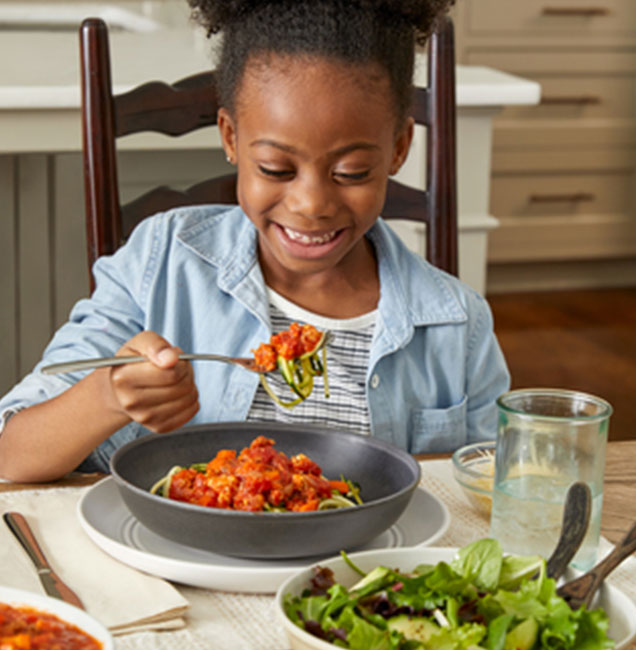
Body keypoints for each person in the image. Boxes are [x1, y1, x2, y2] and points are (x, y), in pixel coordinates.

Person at [0, 0, 510, 483]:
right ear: (230, 137)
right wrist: (109, 398)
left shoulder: (455, 323)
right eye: (275, 169)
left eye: (351, 172)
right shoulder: (163, 262)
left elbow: (491, 487)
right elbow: (12, 454)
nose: (311, 204)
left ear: (399, 148)